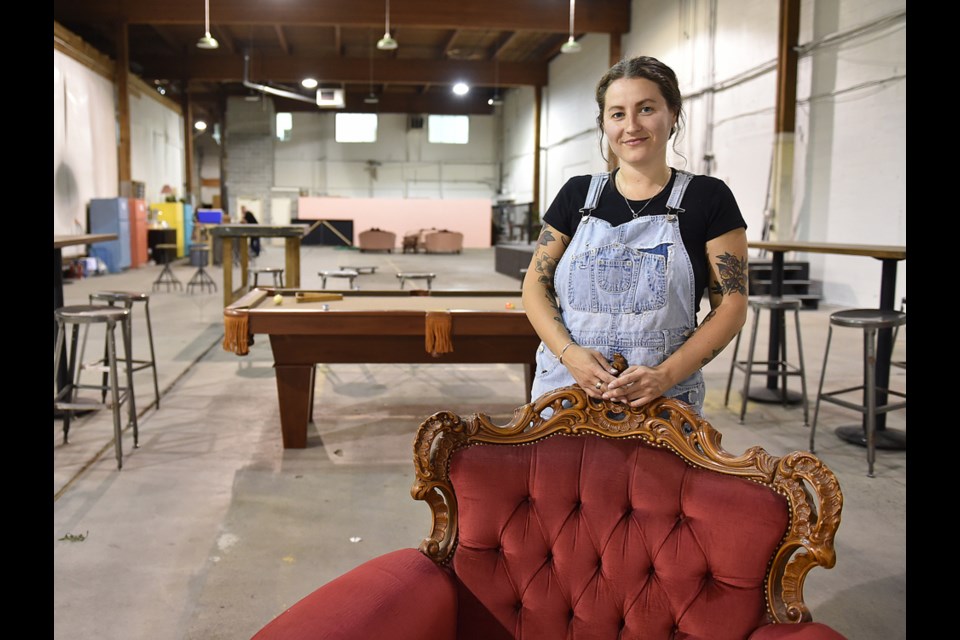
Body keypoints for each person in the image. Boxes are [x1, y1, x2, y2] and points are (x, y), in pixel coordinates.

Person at [522, 56, 748, 415]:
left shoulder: (709, 198)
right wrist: (570, 355)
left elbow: (732, 306)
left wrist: (664, 375)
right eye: (617, 114)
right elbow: (535, 285)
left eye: (646, 109)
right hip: (566, 394)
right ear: (604, 123)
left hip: (662, 403)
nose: (631, 126)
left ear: (673, 113)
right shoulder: (576, 195)